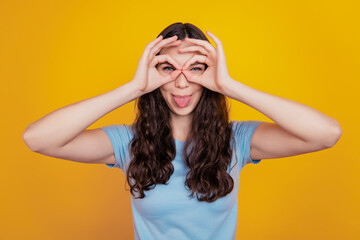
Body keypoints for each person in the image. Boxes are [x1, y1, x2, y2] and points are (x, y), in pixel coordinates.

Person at [22, 22, 342, 240]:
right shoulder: (128, 143)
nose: (182, 81)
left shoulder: (237, 141)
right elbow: (36, 138)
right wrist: (134, 88)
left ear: (209, 75)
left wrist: (229, 86)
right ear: (154, 73)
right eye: (168, 68)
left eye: (196, 69)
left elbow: (327, 133)